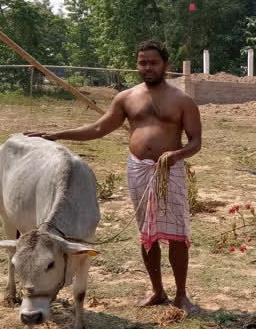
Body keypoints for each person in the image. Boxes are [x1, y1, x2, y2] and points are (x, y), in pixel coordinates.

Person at [25, 40, 202, 312]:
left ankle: (181, 295)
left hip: (170, 171)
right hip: (138, 170)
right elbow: (98, 128)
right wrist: (57, 134)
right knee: (147, 233)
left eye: (153, 62)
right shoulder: (127, 98)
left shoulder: (183, 101)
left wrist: (177, 155)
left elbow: (195, 141)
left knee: (177, 235)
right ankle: (157, 291)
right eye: (142, 62)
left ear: (166, 65)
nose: (147, 67)